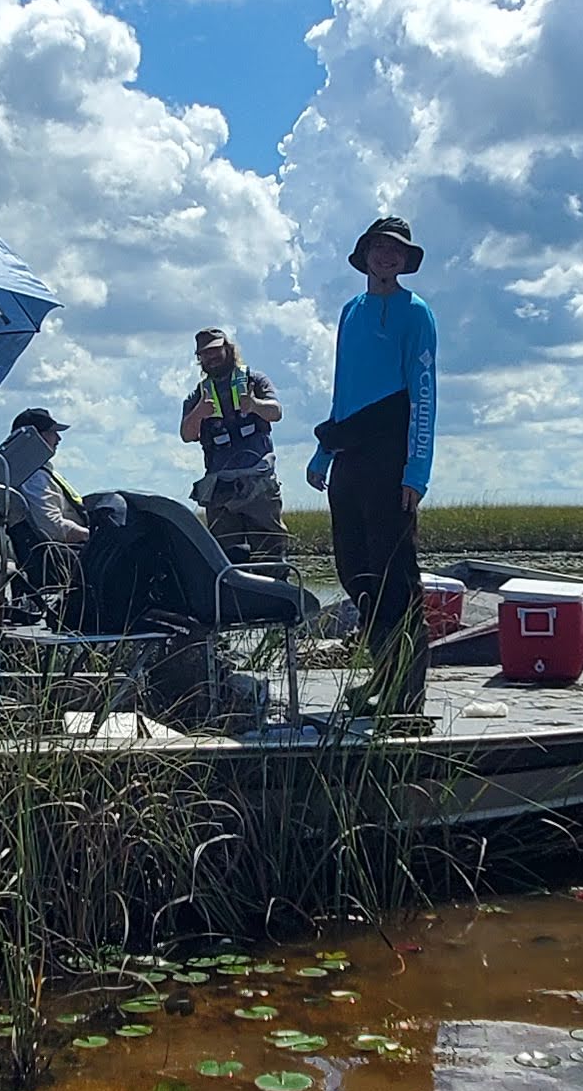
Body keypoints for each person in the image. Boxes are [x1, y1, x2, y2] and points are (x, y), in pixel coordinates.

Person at [305, 214, 436, 719]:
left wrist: (416, 471)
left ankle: (407, 692)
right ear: (365, 255)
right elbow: (343, 387)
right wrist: (325, 449)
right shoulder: (351, 312)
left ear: (405, 261)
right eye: (379, 247)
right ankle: (382, 675)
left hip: (391, 454)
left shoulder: (416, 313)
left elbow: (424, 394)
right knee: (355, 570)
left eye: (396, 250)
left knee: (395, 576)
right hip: (350, 452)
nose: (387, 256)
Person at [180, 327, 287, 564]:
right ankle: (235, 600)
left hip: (259, 482)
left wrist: (255, 405)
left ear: (228, 349)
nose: (211, 357)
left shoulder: (254, 380)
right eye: (205, 354)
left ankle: (276, 598)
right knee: (226, 559)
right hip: (220, 488)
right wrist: (199, 412)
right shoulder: (196, 396)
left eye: (216, 350)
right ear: (200, 359)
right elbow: (187, 435)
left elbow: (276, 412)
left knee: (268, 555)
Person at [0, 406, 89, 604]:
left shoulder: (28, 472)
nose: (58, 439)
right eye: (52, 433)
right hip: (58, 558)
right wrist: (93, 535)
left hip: (55, 556)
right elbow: (52, 528)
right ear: (35, 438)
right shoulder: (33, 477)